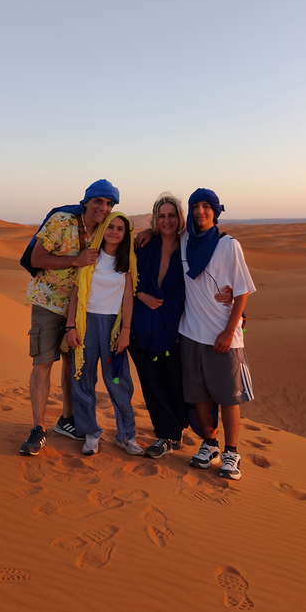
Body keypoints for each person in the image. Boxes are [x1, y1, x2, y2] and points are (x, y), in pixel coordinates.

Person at [20, 179, 119, 456]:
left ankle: (66, 419)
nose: (103, 207)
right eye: (99, 201)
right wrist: (74, 260)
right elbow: (37, 258)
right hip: (48, 302)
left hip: (80, 310)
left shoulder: (104, 228)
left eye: (109, 204)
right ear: (86, 201)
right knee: (42, 364)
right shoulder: (61, 221)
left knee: (71, 363)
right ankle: (38, 429)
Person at [179, 188, 256, 480]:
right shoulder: (185, 241)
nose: (200, 211)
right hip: (190, 333)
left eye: (206, 206)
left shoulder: (228, 245)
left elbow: (242, 291)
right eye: (195, 206)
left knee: (228, 397)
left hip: (223, 336)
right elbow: (163, 232)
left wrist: (228, 331)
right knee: (198, 394)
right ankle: (210, 444)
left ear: (215, 210)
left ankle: (231, 451)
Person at [66, 212, 144, 457]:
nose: (114, 232)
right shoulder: (90, 257)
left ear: (125, 235)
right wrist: (71, 326)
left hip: (113, 328)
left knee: (119, 381)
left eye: (120, 229)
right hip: (86, 321)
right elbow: (76, 293)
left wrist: (126, 332)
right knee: (83, 379)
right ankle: (90, 433)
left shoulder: (127, 262)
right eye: (111, 227)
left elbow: (129, 299)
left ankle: (126, 435)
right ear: (103, 230)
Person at [129, 194, 189, 458]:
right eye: (161, 216)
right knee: (151, 382)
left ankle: (174, 431)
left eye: (171, 215)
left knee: (174, 382)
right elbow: (126, 276)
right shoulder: (145, 245)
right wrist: (140, 294)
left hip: (175, 328)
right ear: (155, 219)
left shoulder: (189, 247)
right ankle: (165, 435)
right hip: (143, 325)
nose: (166, 221)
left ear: (179, 218)